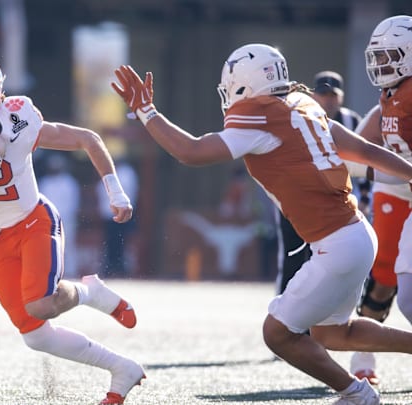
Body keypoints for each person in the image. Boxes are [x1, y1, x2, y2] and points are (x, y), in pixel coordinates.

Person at [111, 43, 412, 404]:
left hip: (339, 244)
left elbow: (191, 151)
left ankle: (357, 393)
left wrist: (147, 112)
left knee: (277, 333)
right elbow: (363, 149)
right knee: (333, 334)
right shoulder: (304, 105)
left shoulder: (261, 116)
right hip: (356, 233)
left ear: (245, 84)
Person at [0, 52, 144, 405]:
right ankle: (122, 367)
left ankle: (88, 294)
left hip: (34, 219)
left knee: (40, 305)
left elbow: (87, 138)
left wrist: (115, 191)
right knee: (35, 336)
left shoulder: (18, 116)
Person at [348, 14, 412, 386]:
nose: (380, 64)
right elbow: (365, 139)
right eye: (379, 56)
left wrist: (362, 169)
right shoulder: (391, 92)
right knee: (385, 269)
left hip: (399, 175)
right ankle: (364, 356)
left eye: (390, 56)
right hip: (398, 182)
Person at [276, 70, 365, 295]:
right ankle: (286, 312)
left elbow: (366, 159)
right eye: (323, 94)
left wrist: (365, 196)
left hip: (337, 201)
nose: (328, 100)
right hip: (298, 197)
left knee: (337, 258)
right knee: (295, 254)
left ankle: (326, 315)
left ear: (341, 96)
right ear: (313, 95)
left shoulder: (351, 121)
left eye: (333, 95)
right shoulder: (297, 116)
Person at [96, 159, 138, 278]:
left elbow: (129, 192)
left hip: (123, 212)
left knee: (122, 241)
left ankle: (121, 268)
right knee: (110, 242)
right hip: (108, 214)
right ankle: (111, 266)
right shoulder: (109, 173)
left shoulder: (126, 172)